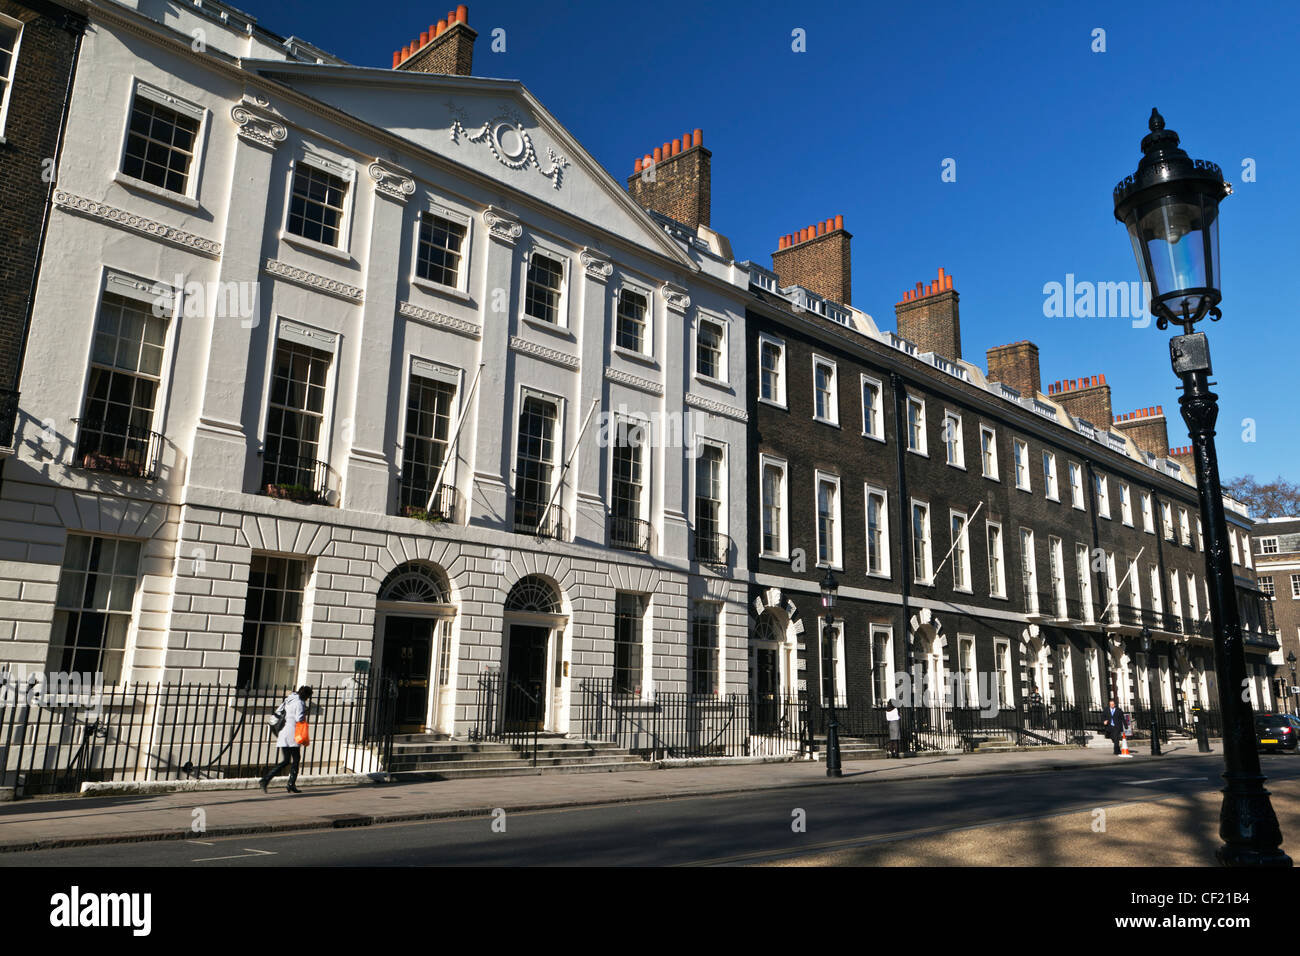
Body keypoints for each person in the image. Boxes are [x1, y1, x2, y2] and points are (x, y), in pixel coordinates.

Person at [260, 686, 312, 793]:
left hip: (283, 732)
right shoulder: (300, 703)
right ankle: (290, 784)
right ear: (306, 695)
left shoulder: (290, 698)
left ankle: (266, 780)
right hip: (292, 734)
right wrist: (305, 712)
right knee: (295, 759)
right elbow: (299, 718)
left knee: (286, 760)